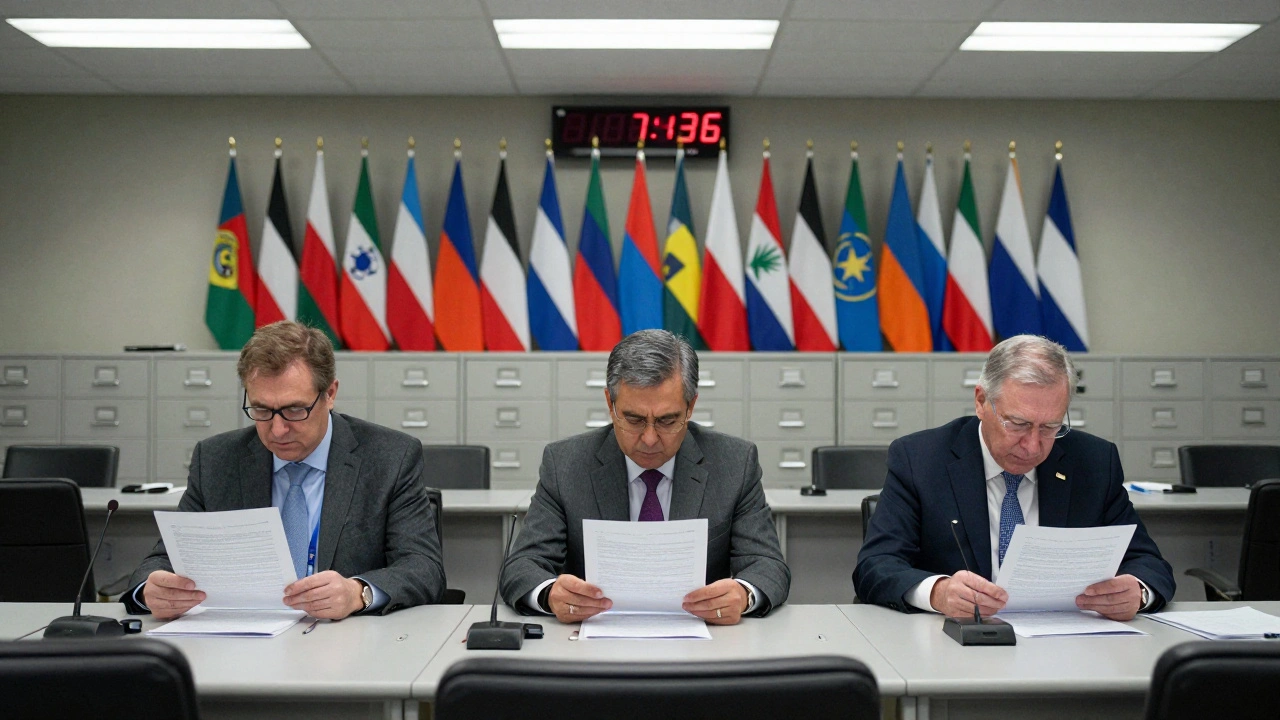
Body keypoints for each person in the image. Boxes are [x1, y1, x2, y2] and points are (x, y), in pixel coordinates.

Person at [124, 321, 445, 619]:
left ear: (330, 394)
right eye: (261, 409)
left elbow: (423, 567)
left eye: (294, 410)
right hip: (241, 638)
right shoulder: (217, 460)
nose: (277, 430)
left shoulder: (389, 458)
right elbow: (162, 560)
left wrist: (356, 593)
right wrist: (150, 590)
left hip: (345, 639)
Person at [854, 335, 1174, 620]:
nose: (1033, 446)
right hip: (958, 642)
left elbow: (1148, 562)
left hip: (1067, 642)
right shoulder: (921, 459)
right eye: (1018, 424)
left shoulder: (1093, 462)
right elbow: (876, 565)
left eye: (1050, 427)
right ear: (981, 402)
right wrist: (938, 592)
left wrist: (1137, 591)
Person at [500, 329, 790, 625]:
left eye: (667, 420)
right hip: (594, 637)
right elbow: (522, 566)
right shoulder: (565, 464)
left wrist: (744, 594)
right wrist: (550, 594)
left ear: (690, 407)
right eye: (634, 420)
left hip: (703, 639)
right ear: (610, 404)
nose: (650, 439)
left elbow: (768, 565)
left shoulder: (734, 463)